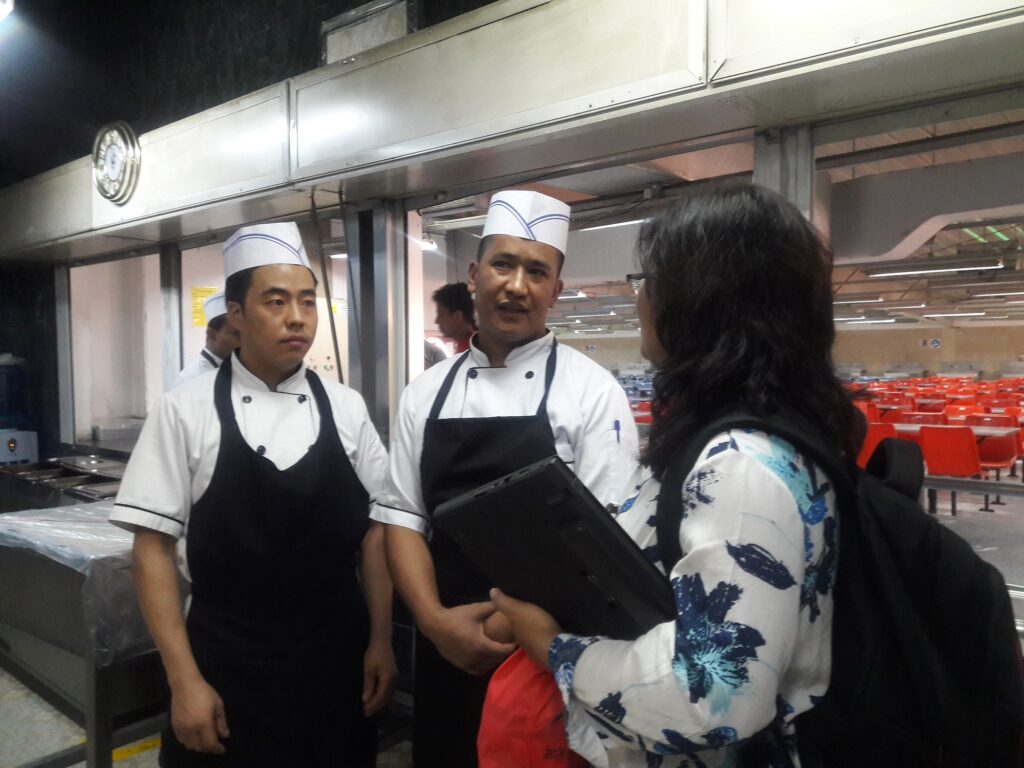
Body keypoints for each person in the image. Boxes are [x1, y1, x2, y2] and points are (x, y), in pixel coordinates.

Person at [492, 182, 863, 767]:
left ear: (700, 301)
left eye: (649, 280)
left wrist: (556, 649)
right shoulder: (733, 436)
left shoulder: (741, 466)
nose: (640, 297)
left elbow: (710, 700)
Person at [110, 222, 396, 768]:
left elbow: (374, 534)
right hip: (225, 663)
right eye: (276, 301)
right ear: (236, 316)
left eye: (308, 302)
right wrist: (183, 680)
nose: (297, 317)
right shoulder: (184, 409)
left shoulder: (347, 406)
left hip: (338, 658)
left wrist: (380, 640)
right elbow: (151, 550)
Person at [375, 189, 639, 767]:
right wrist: (434, 623)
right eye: (502, 264)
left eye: (536, 271)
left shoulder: (592, 393)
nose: (516, 285)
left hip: (547, 654)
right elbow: (402, 518)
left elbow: (605, 544)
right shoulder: (424, 393)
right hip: (444, 643)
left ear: (556, 290)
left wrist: (503, 627)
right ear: (473, 275)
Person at [173, 291, 240, 388]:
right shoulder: (190, 380)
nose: (247, 341)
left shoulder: (240, 370)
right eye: (237, 334)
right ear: (212, 335)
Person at [432, 282, 476, 353]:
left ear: (458, 316)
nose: (436, 321)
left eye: (441, 314)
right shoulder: (467, 345)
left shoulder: (471, 351)